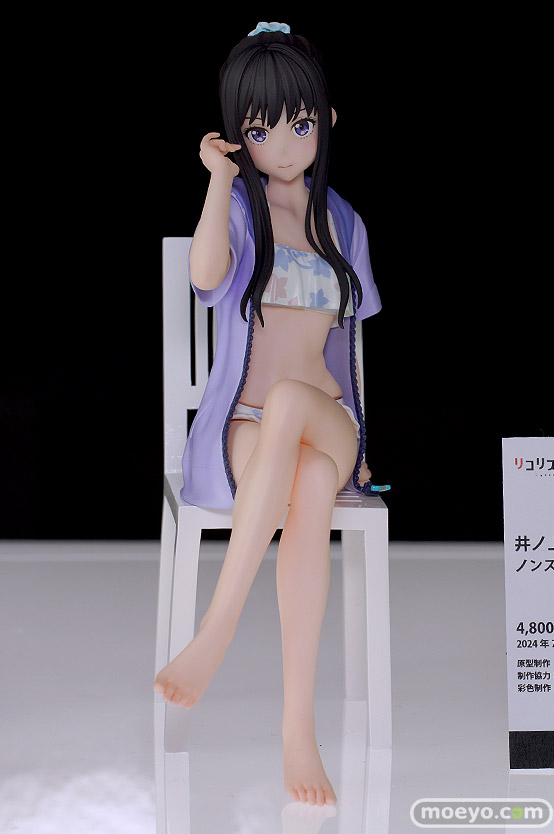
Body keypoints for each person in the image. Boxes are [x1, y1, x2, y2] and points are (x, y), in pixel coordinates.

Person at [154, 22, 383, 807]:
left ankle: (217, 629)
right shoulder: (243, 210)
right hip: (250, 427)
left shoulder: (343, 223)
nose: (283, 146)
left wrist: (366, 448)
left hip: (329, 418)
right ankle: (297, 728)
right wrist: (219, 181)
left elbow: (350, 348)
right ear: (239, 137)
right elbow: (205, 275)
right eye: (260, 131)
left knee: (296, 406)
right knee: (307, 488)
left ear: (327, 120)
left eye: (300, 123)